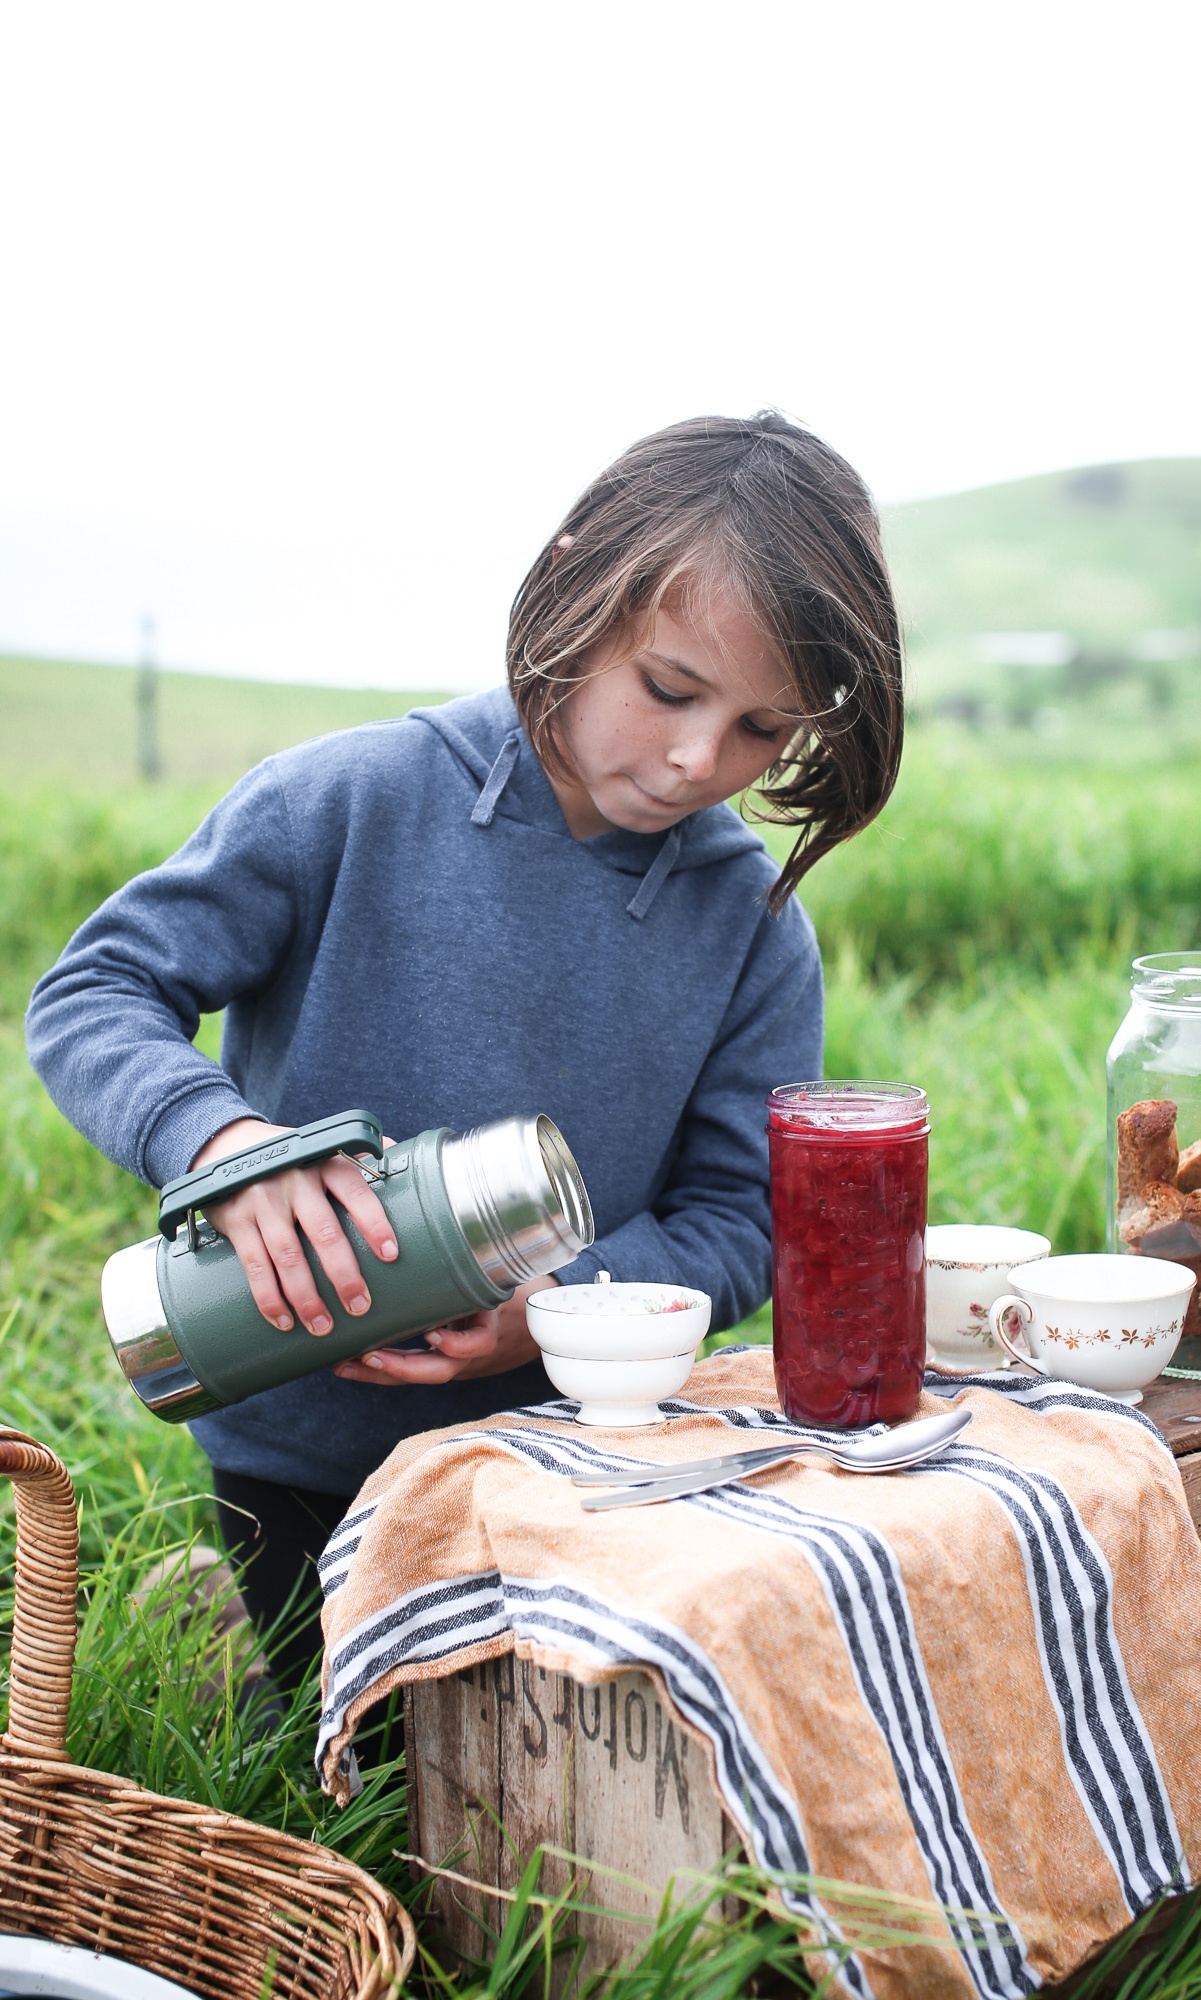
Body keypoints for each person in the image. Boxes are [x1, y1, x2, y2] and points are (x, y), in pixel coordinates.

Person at [27, 411, 905, 1696]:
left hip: (577, 1457)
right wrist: (222, 1144)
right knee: (363, 1757)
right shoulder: (346, 799)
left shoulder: (751, 926)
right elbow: (94, 988)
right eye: (668, 688)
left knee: (550, 1790)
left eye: (761, 731)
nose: (691, 761)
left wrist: (559, 1310)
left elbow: (739, 1216)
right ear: (570, 584)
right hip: (299, 1453)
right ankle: (223, 1609)